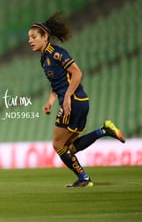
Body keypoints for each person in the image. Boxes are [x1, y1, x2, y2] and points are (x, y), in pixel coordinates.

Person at [27, 11, 126, 187]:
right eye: (29, 38)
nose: (30, 40)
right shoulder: (44, 59)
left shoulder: (56, 53)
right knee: (69, 147)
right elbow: (56, 83)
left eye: (34, 37)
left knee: (58, 145)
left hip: (73, 103)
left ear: (45, 37)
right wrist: (50, 101)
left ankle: (84, 178)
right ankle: (104, 131)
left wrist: (67, 97)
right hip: (78, 102)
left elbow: (77, 73)